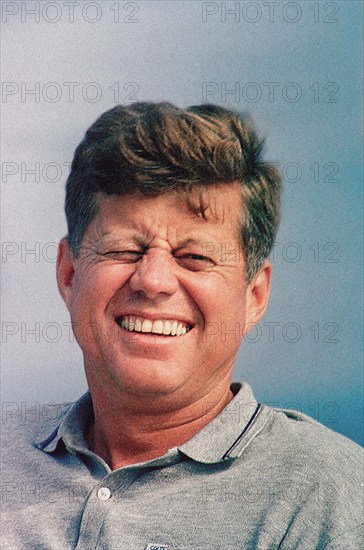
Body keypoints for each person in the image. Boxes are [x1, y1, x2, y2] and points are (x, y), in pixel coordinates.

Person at [1, 102, 362, 549]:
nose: (152, 280)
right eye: (124, 250)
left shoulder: (330, 498)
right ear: (69, 275)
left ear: (255, 295)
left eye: (195, 257)